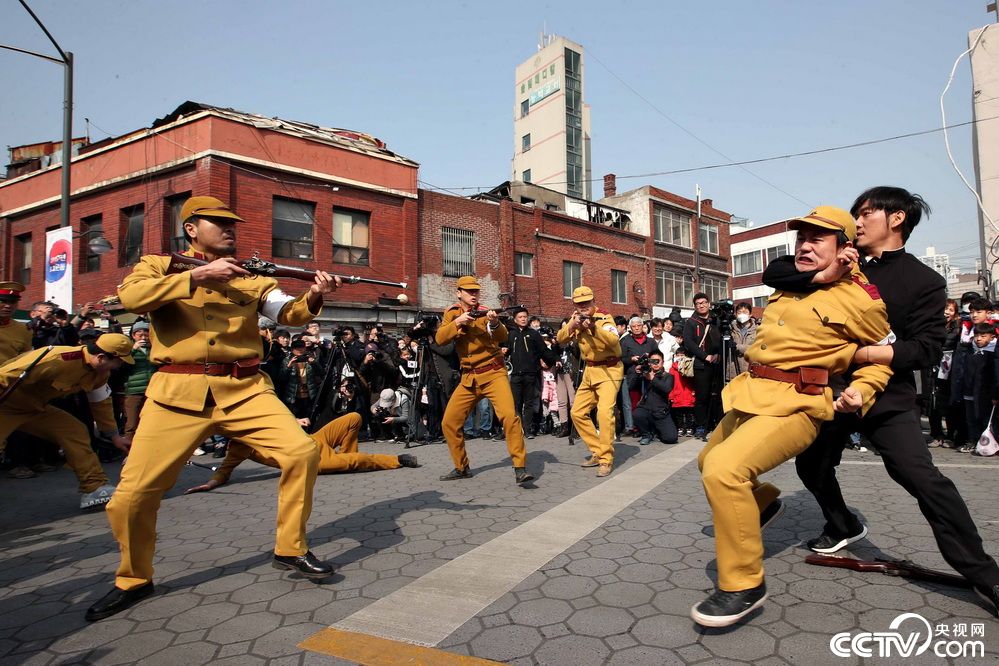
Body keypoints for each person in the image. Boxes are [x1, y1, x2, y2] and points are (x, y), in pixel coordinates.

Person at [86, 195, 341, 623]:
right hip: (176, 392)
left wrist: (314, 295)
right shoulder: (155, 264)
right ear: (191, 229)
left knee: (302, 452)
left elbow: (288, 314)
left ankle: (289, 548)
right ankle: (134, 578)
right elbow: (132, 298)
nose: (230, 229)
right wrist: (200, 275)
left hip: (244, 388)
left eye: (232, 223)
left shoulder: (251, 277)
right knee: (129, 498)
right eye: (218, 223)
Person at [773, 188, 999, 618]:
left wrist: (862, 354)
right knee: (811, 465)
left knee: (920, 476)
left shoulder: (924, 281)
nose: (857, 221)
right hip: (828, 391)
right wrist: (823, 275)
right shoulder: (841, 255)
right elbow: (777, 270)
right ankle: (842, 524)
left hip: (887, 396)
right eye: (855, 214)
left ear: (896, 219)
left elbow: (926, 349)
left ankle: (985, 574)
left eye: (866, 212)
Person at [692, 206, 893, 628]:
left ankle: (742, 583)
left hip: (797, 402)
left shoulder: (859, 298)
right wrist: (820, 274)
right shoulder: (794, 280)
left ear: (844, 247)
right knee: (707, 462)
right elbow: (776, 270)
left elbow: (881, 356)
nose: (804, 244)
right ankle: (761, 505)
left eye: (817, 238)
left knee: (725, 471)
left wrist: (863, 389)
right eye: (801, 236)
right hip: (752, 393)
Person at [0, 333, 134, 507]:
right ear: (101, 357)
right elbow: (4, 375)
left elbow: (101, 404)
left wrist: (114, 436)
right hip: (5, 406)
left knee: (75, 432)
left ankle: (94, 487)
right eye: (119, 361)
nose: (120, 366)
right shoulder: (57, 359)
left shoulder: (100, 373)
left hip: (35, 408)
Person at [435, 275, 533, 485]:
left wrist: (495, 322)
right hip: (469, 378)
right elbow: (440, 338)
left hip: (493, 373)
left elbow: (502, 336)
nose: (473, 294)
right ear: (458, 293)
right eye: (469, 291)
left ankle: (520, 467)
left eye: (476, 291)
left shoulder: (486, 312)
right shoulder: (451, 313)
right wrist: (458, 322)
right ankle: (461, 467)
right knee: (449, 422)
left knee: (509, 417)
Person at [185, 413, 420, 494]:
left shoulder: (262, 420)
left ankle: (347, 460)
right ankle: (395, 460)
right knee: (360, 459)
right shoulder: (239, 446)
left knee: (354, 418)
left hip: (316, 439)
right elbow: (225, 470)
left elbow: (280, 416)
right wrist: (212, 483)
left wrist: (296, 420)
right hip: (314, 459)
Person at [556, 286, 623, 477]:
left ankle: (606, 459)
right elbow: (560, 339)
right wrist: (572, 326)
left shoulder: (604, 317)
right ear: (575, 305)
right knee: (577, 413)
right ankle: (597, 450)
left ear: (594, 301)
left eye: (587, 302)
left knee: (604, 412)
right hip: (590, 371)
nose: (584, 306)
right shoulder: (574, 318)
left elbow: (612, 340)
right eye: (580, 303)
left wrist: (593, 328)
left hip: (609, 370)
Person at [506, 307, 551, 439]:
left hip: (530, 373)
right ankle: (517, 430)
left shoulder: (534, 334)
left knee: (529, 403)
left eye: (525, 316)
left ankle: (528, 430)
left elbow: (544, 350)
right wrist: (504, 351)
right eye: (520, 317)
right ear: (515, 319)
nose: (523, 319)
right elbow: (505, 349)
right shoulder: (511, 334)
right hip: (515, 374)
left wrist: (555, 359)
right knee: (516, 403)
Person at [682, 293, 722, 440]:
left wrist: (718, 354)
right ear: (695, 306)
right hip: (701, 364)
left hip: (717, 363)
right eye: (698, 303)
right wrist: (705, 356)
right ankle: (700, 425)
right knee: (702, 397)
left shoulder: (716, 319)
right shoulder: (691, 322)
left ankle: (717, 423)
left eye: (704, 302)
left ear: (709, 303)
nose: (701, 305)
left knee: (718, 395)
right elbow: (689, 343)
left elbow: (722, 338)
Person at [960, 322, 998, 450]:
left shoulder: (992, 354)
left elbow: (994, 376)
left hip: (985, 393)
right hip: (969, 391)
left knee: (986, 419)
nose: (979, 339)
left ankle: (987, 442)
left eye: (983, 336)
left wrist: (995, 394)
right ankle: (973, 440)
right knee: (971, 419)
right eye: (976, 335)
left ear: (992, 337)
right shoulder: (970, 351)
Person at [928, 299, 960, 448]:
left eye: (950, 310)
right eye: (944, 309)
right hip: (932, 365)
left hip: (949, 365)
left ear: (955, 313)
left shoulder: (958, 328)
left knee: (948, 401)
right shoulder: (931, 324)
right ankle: (936, 434)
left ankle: (950, 435)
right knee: (933, 402)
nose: (946, 312)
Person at [620, 316, 660, 436]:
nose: (636, 328)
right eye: (634, 326)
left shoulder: (651, 341)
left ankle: (647, 427)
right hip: (631, 376)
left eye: (639, 325)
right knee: (631, 403)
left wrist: (649, 359)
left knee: (646, 401)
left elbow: (657, 358)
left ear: (643, 327)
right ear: (630, 328)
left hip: (647, 375)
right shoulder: (625, 341)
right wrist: (631, 359)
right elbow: (620, 358)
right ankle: (633, 427)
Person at [120, 321, 156, 442]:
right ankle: (129, 449)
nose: (143, 338)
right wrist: (133, 350)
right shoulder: (128, 350)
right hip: (134, 391)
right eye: (139, 335)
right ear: (133, 336)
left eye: (146, 335)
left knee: (151, 421)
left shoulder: (154, 349)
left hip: (151, 390)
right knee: (132, 423)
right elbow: (122, 367)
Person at [632, 349, 678, 445]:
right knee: (637, 414)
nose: (655, 364)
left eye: (658, 361)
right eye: (653, 361)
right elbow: (631, 386)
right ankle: (646, 434)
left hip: (661, 413)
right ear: (649, 362)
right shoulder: (645, 374)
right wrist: (637, 373)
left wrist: (653, 378)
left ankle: (657, 431)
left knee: (671, 438)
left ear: (663, 362)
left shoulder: (668, 376)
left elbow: (667, 389)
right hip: (646, 409)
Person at [725, 302, 758, 381]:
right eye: (739, 312)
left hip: (750, 370)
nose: (742, 314)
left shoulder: (757, 329)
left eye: (745, 312)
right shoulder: (730, 328)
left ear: (750, 315)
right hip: (733, 371)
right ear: (736, 314)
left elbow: (756, 348)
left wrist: (737, 346)